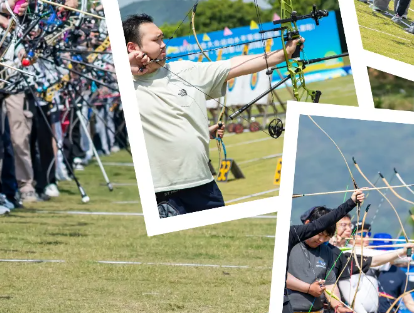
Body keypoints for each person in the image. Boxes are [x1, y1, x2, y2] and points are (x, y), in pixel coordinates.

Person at [123, 13, 304, 217]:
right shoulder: (124, 85)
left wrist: (282, 54)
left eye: (162, 38)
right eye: (156, 40)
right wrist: (125, 69)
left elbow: (234, 65)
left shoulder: (185, 70)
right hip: (162, 192)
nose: (163, 44)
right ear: (133, 48)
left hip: (204, 186)